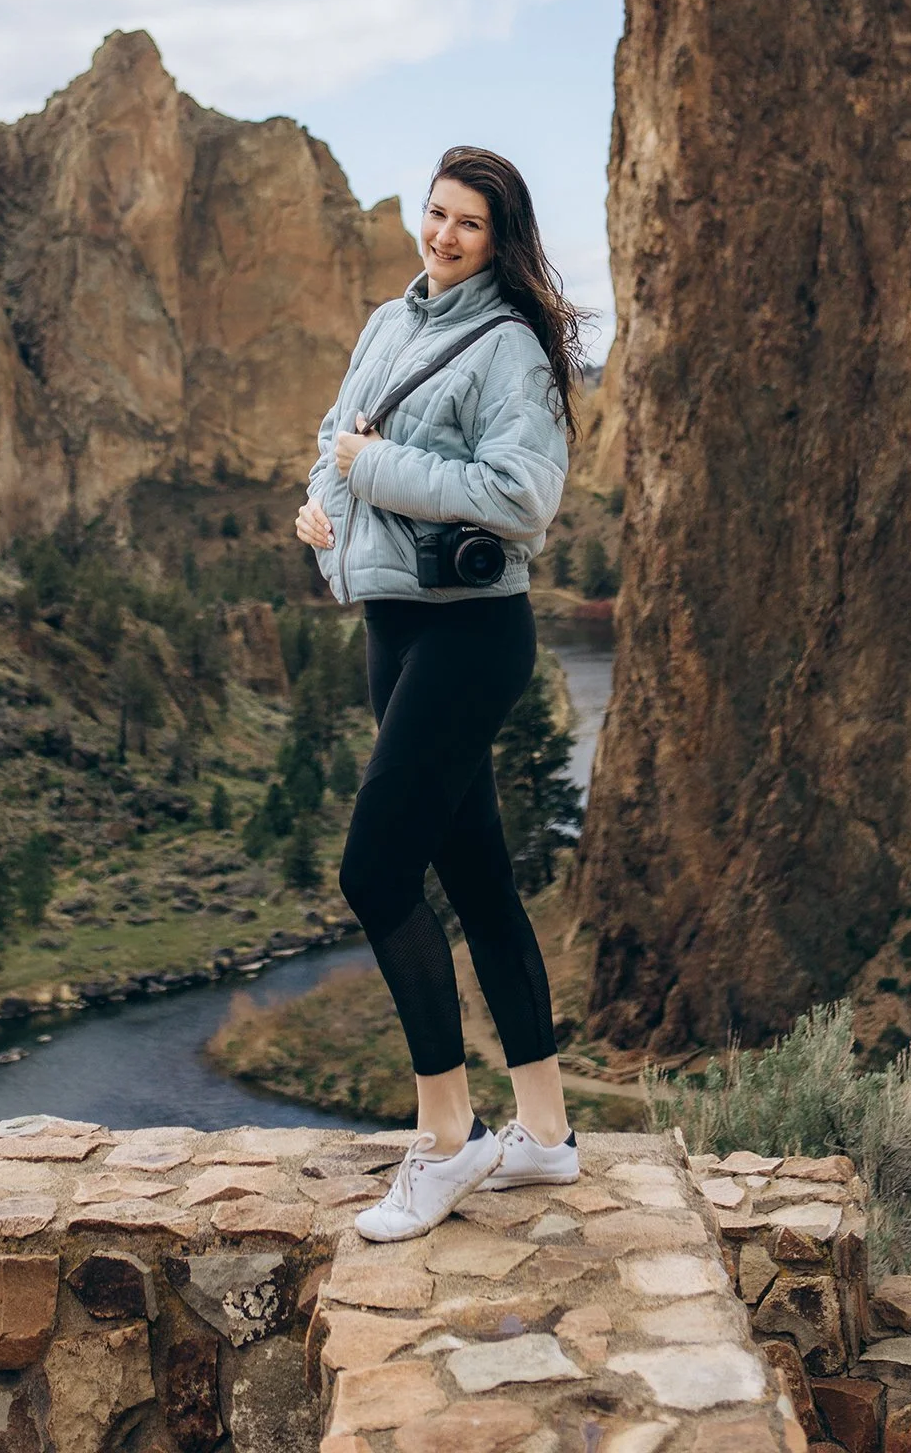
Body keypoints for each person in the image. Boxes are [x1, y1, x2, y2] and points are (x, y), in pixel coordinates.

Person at [295, 145, 585, 1241]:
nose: (444, 233)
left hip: (473, 637)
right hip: (396, 628)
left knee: (375, 869)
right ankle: (547, 1136)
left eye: (468, 222)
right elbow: (337, 439)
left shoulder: (510, 347)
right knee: (477, 876)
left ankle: (449, 1137)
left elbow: (521, 493)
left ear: (500, 237)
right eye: (436, 212)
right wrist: (323, 518)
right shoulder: (388, 320)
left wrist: (370, 474)